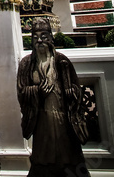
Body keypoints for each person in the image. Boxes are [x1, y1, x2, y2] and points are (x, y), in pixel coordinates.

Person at [17, 18, 89, 177]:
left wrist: (72, 93)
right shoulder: (26, 64)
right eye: (35, 37)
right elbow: (22, 91)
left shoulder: (62, 61)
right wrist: (37, 91)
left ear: (51, 38)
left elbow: (77, 88)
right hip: (42, 118)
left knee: (68, 154)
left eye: (44, 36)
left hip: (63, 117)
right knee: (43, 157)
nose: (40, 41)